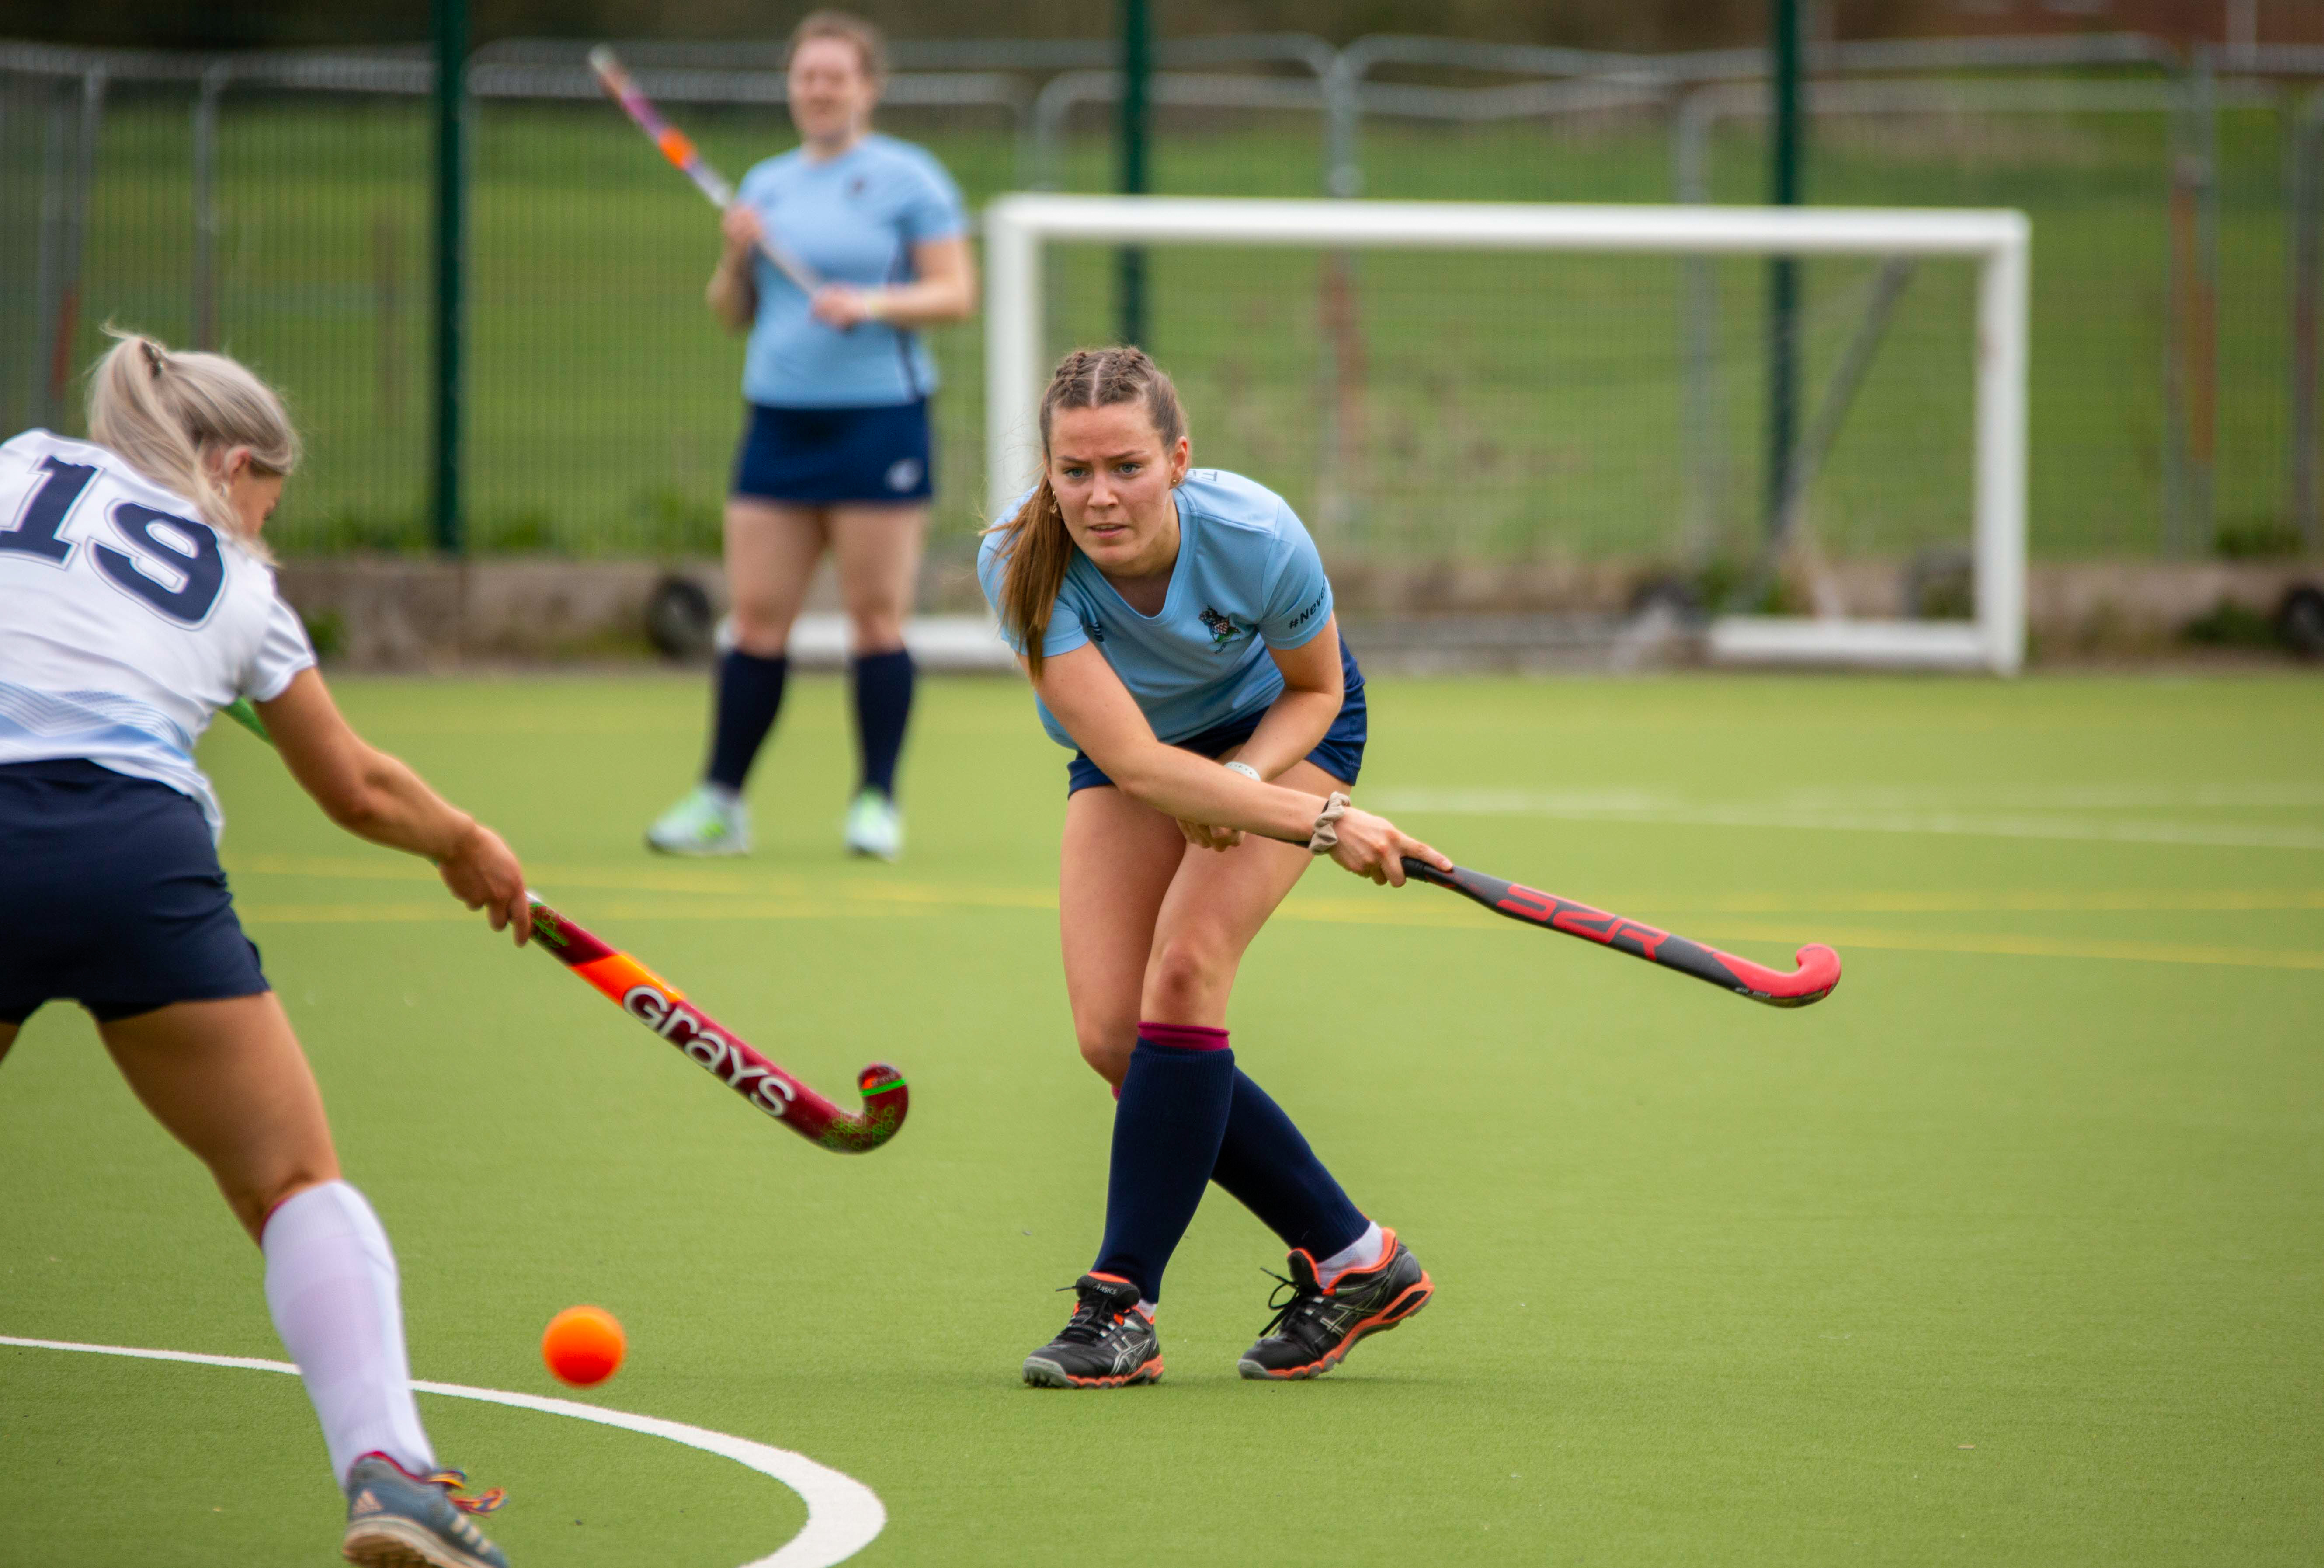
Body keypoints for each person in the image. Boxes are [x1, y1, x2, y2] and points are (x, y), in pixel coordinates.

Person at [0, 331, 531, 1568]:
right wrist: (464, 844)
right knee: (291, 1179)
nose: (265, 532)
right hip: (137, 853)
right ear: (233, 465)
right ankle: (390, 1475)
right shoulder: (241, 589)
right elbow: (354, 785)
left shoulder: (22, 467)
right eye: (268, 508)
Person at [978, 347, 1452, 1389]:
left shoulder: (1256, 534)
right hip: (1136, 749)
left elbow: (1317, 690)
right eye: (1074, 472)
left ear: (1178, 459)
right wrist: (1321, 829)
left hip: (1278, 728)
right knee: (1114, 1039)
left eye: (1127, 467)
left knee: (1185, 974)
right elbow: (1137, 763)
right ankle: (1356, 1259)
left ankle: (1119, 1305)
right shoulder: (1020, 564)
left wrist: (1254, 786)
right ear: (1047, 474)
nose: (1100, 497)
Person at [646, 9, 976, 862]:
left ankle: (877, 801)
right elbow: (731, 314)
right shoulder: (764, 184)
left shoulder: (911, 180)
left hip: (879, 421)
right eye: (807, 77)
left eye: (837, 77)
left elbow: (953, 294)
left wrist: (867, 302)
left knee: (876, 619)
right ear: (791, 87)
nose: (820, 91)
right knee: (756, 621)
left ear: (868, 88)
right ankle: (722, 801)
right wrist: (733, 257)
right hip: (779, 424)